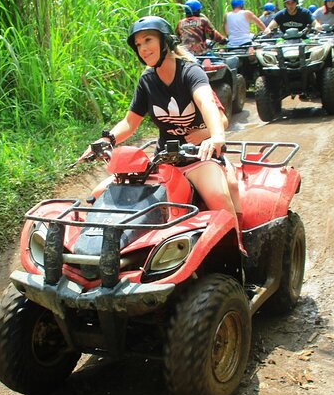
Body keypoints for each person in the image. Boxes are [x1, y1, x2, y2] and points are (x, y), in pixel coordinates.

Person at [81, 16, 244, 251]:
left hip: (199, 158)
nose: (143, 48)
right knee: (99, 194)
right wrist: (108, 139)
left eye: (148, 40)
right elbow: (130, 122)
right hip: (162, 161)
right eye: (138, 44)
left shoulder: (190, 72)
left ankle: (237, 251)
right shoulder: (147, 81)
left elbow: (207, 102)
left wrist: (215, 136)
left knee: (218, 196)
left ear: (166, 41)